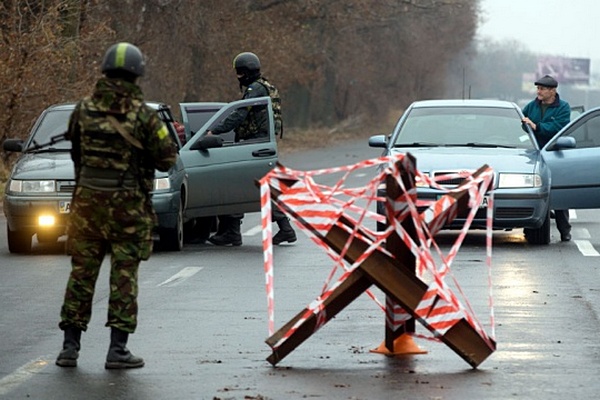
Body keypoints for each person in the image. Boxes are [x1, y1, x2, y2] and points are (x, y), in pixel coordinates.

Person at [56, 42, 177, 369]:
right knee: (124, 277)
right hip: (128, 211)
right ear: (137, 74)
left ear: (105, 71)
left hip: (87, 208)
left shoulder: (83, 109)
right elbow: (167, 160)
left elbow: (76, 154)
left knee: (81, 275)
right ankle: (117, 350)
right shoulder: (145, 116)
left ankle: (69, 348)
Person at [205, 51, 296, 247]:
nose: (238, 77)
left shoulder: (255, 90)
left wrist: (214, 131)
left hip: (254, 145)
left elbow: (238, 114)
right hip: (260, 145)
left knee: (237, 184)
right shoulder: (265, 86)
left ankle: (233, 231)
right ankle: (282, 229)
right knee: (250, 187)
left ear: (244, 72)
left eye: (239, 73)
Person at [521, 74, 572, 242]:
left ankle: (564, 230)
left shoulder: (563, 107)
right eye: (537, 88)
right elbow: (522, 123)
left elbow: (559, 127)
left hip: (554, 153)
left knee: (559, 193)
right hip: (533, 154)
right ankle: (530, 227)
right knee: (532, 192)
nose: (538, 91)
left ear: (552, 90)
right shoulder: (531, 106)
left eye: (542, 89)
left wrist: (537, 126)